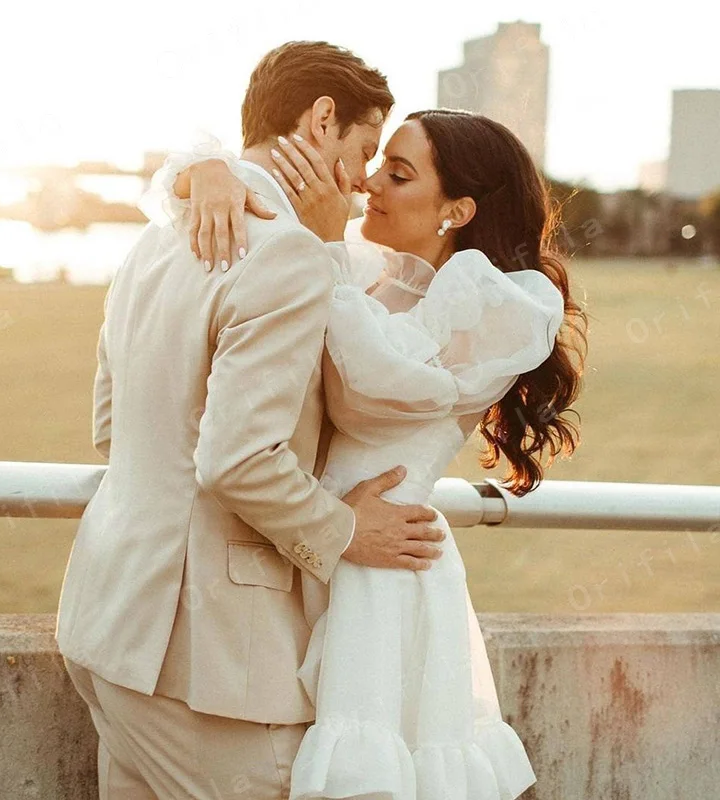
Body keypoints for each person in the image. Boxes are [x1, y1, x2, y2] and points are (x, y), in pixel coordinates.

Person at [55, 41, 451, 800]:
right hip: (209, 669)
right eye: (366, 149)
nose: (366, 178)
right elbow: (236, 459)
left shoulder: (153, 241)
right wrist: (345, 530)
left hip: (106, 628)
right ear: (322, 118)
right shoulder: (288, 256)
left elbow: (111, 425)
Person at [155, 107, 588, 799]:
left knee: (377, 770)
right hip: (323, 551)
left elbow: (375, 388)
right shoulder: (374, 272)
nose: (369, 185)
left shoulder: (498, 297)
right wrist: (207, 171)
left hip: (384, 571)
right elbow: (192, 182)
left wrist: (323, 248)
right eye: (378, 163)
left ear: (457, 209)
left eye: (399, 172)